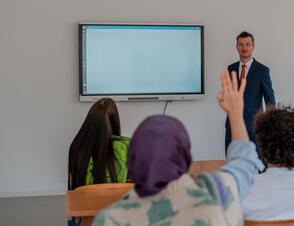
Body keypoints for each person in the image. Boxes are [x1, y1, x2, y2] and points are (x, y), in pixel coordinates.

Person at [93, 71, 264, 226]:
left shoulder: (110, 218)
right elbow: (244, 162)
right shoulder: (219, 194)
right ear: (184, 155)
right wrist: (235, 113)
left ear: (132, 159)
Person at [225, 31, 275, 166]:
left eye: (248, 44)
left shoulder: (262, 70)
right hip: (232, 124)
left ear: (253, 46)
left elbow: (270, 99)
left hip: (254, 126)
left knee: (259, 164)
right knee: (233, 162)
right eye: (241, 44)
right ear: (236, 47)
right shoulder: (230, 69)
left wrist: (270, 124)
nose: (244, 48)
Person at [68, 98, 130, 189]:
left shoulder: (77, 146)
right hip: (116, 201)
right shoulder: (126, 145)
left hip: (83, 202)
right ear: (114, 120)